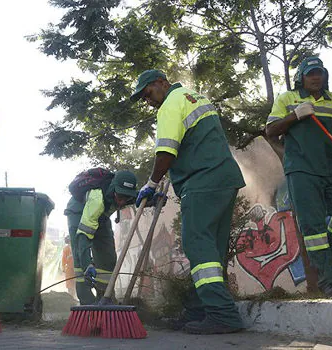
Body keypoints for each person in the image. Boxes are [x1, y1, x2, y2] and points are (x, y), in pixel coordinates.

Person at [131, 70, 246, 334]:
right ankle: (198, 311)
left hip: (203, 181)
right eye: (143, 98)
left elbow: (167, 151)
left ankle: (222, 314)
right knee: (211, 251)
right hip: (223, 179)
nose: (147, 101)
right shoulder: (193, 97)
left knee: (197, 246)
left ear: (162, 82)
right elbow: (191, 144)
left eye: (147, 93)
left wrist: (150, 184)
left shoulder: (171, 104)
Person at [265, 56, 332, 297]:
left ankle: (326, 260)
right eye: (310, 73)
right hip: (302, 169)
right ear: (301, 77)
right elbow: (270, 130)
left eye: (319, 73)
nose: (316, 77)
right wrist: (294, 115)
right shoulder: (287, 99)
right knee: (313, 224)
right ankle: (329, 280)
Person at [64, 170, 138, 305]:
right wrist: (88, 264)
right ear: (113, 190)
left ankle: (105, 297)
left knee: (108, 258)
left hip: (101, 216)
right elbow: (84, 236)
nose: (122, 202)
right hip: (78, 214)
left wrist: (151, 198)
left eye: (126, 197)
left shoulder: (125, 195)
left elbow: (137, 198)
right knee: (81, 262)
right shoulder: (96, 200)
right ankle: (87, 303)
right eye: (120, 196)